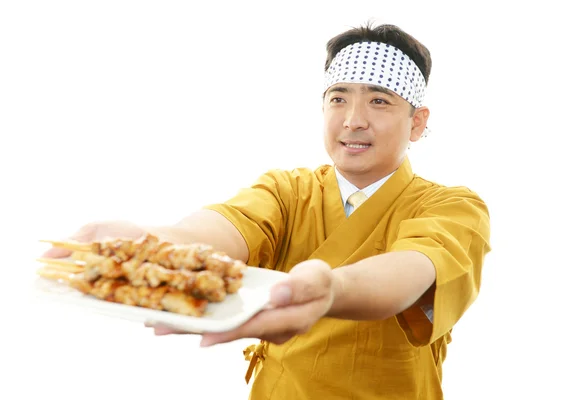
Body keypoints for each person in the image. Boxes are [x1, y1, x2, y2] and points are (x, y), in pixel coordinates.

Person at [44, 22, 491, 399]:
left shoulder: (453, 207)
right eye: (338, 98)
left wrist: (331, 289)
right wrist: (158, 242)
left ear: (417, 122)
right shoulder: (288, 190)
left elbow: (413, 268)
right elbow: (227, 226)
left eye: (379, 100)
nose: (353, 119)